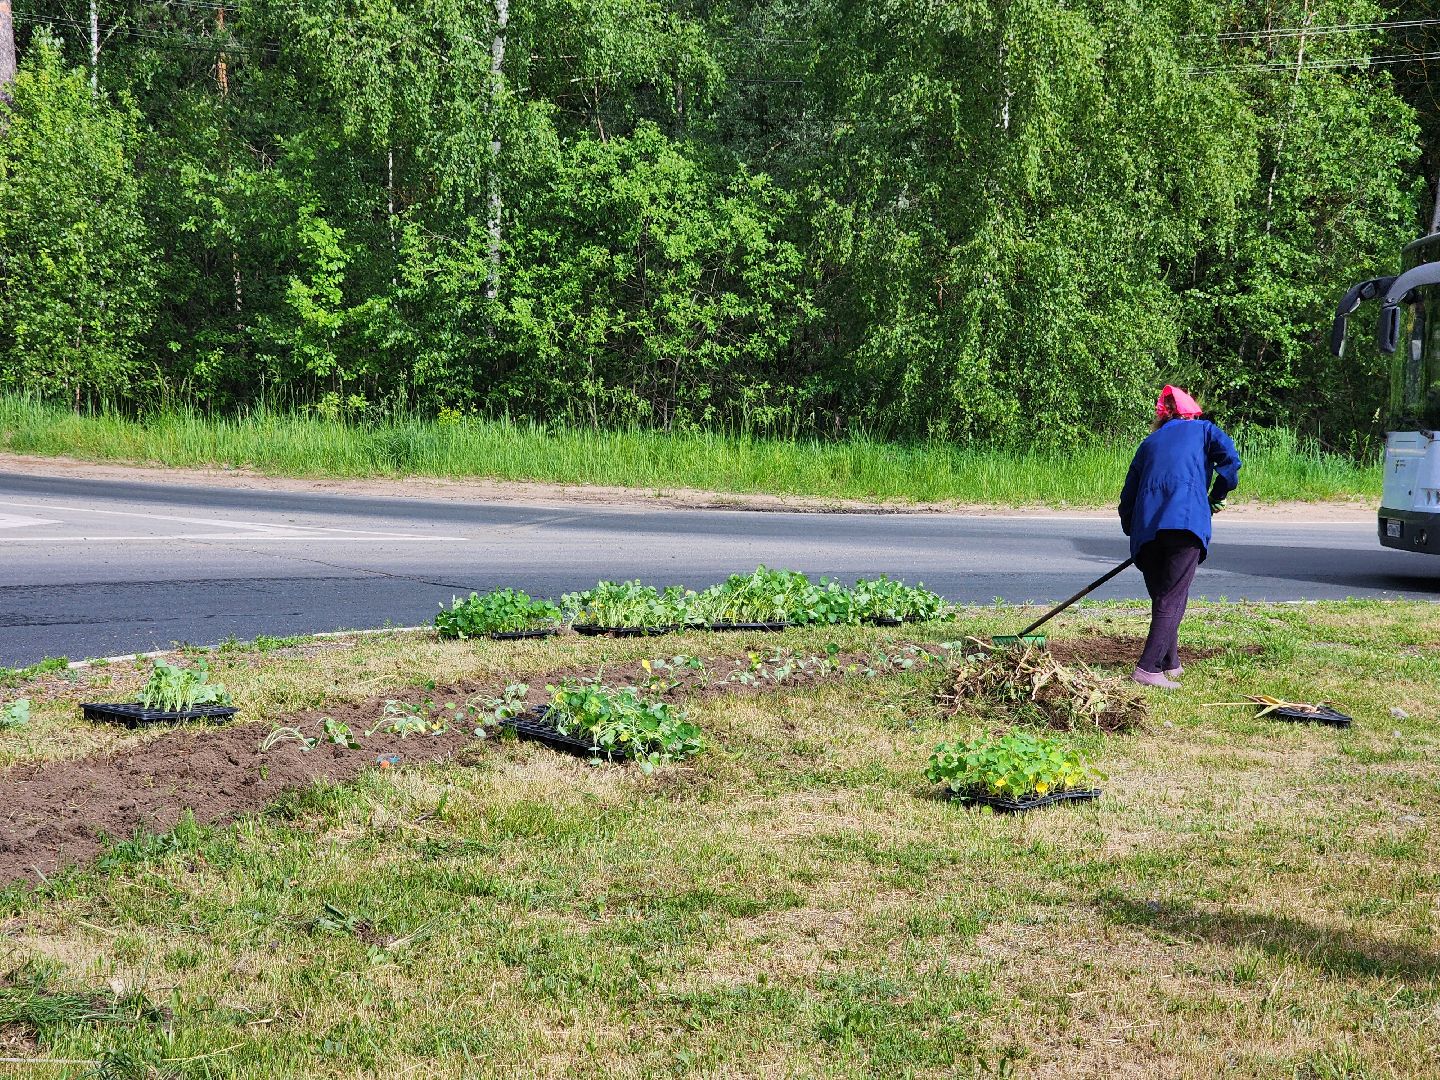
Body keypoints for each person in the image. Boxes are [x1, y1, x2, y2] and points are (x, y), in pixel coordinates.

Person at [1118, 385, 1241, 689]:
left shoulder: (1148, 444)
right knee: (1172, 598)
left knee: (1166, 597)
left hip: (1148, 532)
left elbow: (1127, 499)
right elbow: (1231, 463)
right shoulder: (1204, 430)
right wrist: (1216, 496)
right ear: (1191, 413)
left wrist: (1136, 531)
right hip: (1184, 522)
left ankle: (1170, 663)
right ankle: (1147, 669)